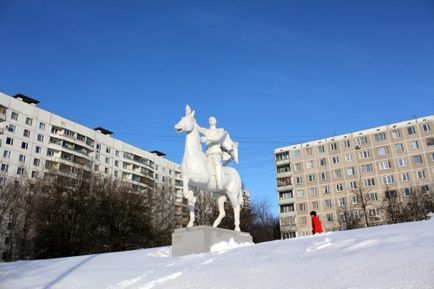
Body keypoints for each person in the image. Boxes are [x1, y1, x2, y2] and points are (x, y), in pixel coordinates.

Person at [199, 116, 238, 189]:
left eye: (213, 119)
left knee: (217, 164)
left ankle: (219, 183)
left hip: (216, 152)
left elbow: (218, 139)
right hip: (207, 154)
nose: (211, 120)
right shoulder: (206, 131)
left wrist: (207, 139)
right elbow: (197, 128)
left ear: (216, 121)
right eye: (209, 120)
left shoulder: (220, 130)